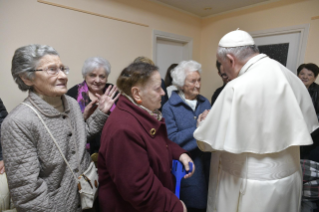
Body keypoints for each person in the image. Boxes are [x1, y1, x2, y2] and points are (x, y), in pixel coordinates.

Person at [193, 29, 319, 212]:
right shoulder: (290, 76)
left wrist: (203, 122)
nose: (224, 71)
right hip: (289, 180)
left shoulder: (236, 87)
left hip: (249, 188)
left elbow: (206, 143)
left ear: (230, 59)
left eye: (222, 64)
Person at [1, 44, 118, 211]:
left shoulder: (70, 103)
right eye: (52, 70)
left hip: (90, 198)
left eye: (63, 69)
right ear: (26, 77)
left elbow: (80, 138)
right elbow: (28, 195)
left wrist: (100, 113)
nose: (63, 76)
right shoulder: (18, 122)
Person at [98, 62, 195, 212]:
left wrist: (179, 153)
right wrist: (175, 207)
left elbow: (155, 141)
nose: (163, 93)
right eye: (157, 89)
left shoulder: (141, 114)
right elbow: (139, 189)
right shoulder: (124, 128)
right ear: (137, 94)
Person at [162, 60, 211, 212]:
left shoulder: (205, 103)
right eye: (193, 81)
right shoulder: (169, 108)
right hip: (187, 171)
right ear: (181, 84)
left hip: (209, 167)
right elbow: (171, 140)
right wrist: (197, 129)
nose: (198, 85)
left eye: (199, 80)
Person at [67, 57, 115, 155]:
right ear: (85, 76)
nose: (97, 80)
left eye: (102, 76)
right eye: (92, 75)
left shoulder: (113, 92)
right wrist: (83, 117)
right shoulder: (72, 94)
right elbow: (66, 128)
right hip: (84, 153)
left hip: (112, 149)